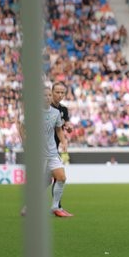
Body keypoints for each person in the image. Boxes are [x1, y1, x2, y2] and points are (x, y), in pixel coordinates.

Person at [22, 89, 69, 217]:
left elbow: (58, 130)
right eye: (44, 95)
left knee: (61, 178)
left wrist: (63, 142)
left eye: (49, 95)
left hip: (52, 153)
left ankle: (55, 207)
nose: (47, 97)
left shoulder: (56, 113)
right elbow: (22, 127)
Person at [50, 82, 73, 217]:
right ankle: (56, 207)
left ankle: (56, 207)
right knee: (57, 178)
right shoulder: (45, 108)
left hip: (53, 148)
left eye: (62, 92)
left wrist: (68, 127)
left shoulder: (63, 109)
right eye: (57, 92)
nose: (60, 95)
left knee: (57, 178)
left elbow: (65, 125)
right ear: (52, 92)